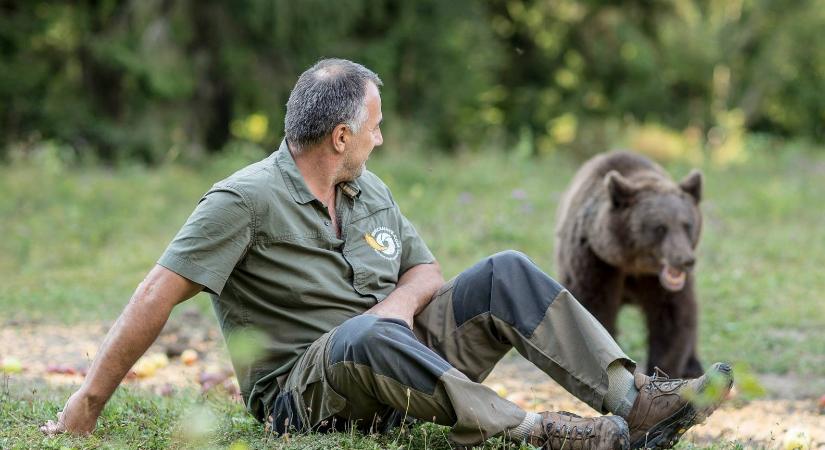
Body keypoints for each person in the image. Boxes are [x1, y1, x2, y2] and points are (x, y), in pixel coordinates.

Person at [41, 58, 732, 450]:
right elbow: (155, 294)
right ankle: (539, 432)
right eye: (374, 125)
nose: (382, 137)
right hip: (306, 395)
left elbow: (425, 271)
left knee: (505, 270)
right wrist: (87, 403)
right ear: (339, 135)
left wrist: (398, 310)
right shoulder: (242, 202)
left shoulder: (368, 190)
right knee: (368, 335)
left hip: (401, 361)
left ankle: (635, 401)